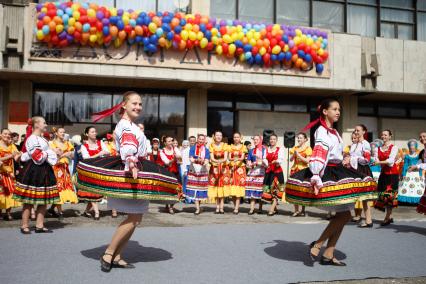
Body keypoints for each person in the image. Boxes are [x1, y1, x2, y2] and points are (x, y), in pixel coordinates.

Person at [75, 91, 179, 272]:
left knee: (136, 218)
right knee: (134, 217)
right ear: (124, 105)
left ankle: (117, 255)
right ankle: (109, 253)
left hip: (136, 169)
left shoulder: (131, 126)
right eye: (134, 103)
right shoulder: (125, 126)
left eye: (140, 104)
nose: (138, 107)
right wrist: (132, 163)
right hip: (131, 172)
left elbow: (138, 147)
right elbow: (128, 148)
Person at [285, 99, 376, 266]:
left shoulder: (334, 132)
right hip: (328, 173)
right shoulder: (322, 131)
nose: (338, 112)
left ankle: (328, 252)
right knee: (345, 214)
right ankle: (319, 244)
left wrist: (347, 159)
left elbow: (336, 153)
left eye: (339, 109)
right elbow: (319, 154)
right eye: (334, 109)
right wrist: (316, 175)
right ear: (325, 111)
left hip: (338, 171)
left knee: (344, 214)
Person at [13, 117, 60, 234]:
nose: (46, 124)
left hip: (44, 170)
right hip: (34, 170)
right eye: (44, 122)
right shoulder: (32, 139)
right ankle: (24, 225)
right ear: (37, 125)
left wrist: (54, 153)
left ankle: (39, 225)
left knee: (43, 199)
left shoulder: (42, 139)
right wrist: (51, 152)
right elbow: (37, 156)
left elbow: (41, 155)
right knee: (29, 200)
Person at [78, 126, 110, 220]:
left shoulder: (101, 143)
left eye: (95, 131)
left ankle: (86, 211)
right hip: (89, 172)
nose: (95, 133)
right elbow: (86, 158)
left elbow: (108, 152)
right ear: (87, 134)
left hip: (99, 170)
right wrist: (99, 154)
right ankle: (97, 212)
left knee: (94, 193)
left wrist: (102, 153)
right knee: (92, 192)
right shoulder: (84, 146)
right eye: (92, 132)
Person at [47, 127, 78, 220]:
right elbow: (51, 155)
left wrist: (68, 154)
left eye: (64, 132)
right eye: (61, 132)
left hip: (65, 168)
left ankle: (52, 209)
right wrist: (61, 154)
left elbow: (73, 155)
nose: (63, 133)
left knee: (65, 187)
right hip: (56, 168)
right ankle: (60, 212)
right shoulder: (51, 143)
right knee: (59, 188)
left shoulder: (67, 143)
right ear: (56, 133)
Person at [350, 124, 376, 228]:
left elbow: (366, 160)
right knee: (357, 196)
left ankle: (368, 220)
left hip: (362, 170)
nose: (356, 132)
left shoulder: (365, 144)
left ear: (364, 132)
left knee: (365, 197)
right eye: (355, 130)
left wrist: (354, 159)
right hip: (354, 170)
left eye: (358, 130)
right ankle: (358, 216)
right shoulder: (354, 144)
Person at [373, 130, 399, 226]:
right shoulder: (378, 148)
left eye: (385, 135)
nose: (383, 136)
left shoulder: (394, 147)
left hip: (392, 174)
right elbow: (376, 159)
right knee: (382, 195)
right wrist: (378, 161)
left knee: (389, 196)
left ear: (390, 136)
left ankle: (387, 218)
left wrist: (379, 162)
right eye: (382, 134)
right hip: (383, 174)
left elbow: (391, 161)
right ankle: (389, 216)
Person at [185, 134, 210, 215]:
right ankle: (197, 209)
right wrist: (197, 160)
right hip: (194, 171)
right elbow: (191, 158)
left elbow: (207, 160)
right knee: (195, 189)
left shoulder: (206, 150)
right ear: (197, 140)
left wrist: (203, 162)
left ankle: (198, 207)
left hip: (202, 171)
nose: (201, 140)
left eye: (203, 139)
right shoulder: (192, 148)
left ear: (204, 141)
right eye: (200, 139)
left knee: (200, 190)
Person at [0, 128, 22, 220]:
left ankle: (8, 213)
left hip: (10, 172)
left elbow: (16, 157)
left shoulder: (12, 145)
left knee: (10, 191)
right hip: (1, 172)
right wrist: (10, 156)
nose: (7, 135)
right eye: (5, 134)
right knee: (1, 192)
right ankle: (0, 213)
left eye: (9, 134)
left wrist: (19, 155)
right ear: (0, 135)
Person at [289, 132, 312, 217]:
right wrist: (294, 155)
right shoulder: (294, 148)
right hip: (295, 170)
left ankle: (302, 210)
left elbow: (308, 161)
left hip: (303, 170)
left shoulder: (308, 148)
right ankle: (296, 210)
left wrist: (300, 156)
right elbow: (291, 160)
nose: (299, 139)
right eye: (298, 138)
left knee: (303, 190)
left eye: (301, 138)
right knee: (294, 190)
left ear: (305, 139)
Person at [207, 131, 231, 214]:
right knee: (216, 188)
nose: (219, 137)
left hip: (223, 169)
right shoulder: (211, 146)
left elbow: (225, 157)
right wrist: (217, 162)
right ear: (214, 136)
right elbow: (211, 158)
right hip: (215, 169)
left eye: (220, 135)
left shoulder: (225, 145)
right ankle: (217, 207)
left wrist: (220, 162)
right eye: (217, 135)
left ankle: (222, 207)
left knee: (222, 188)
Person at [262, 133, 285, 216]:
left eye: (274, 139)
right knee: (269, 191)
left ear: (276, 140)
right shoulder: (267, 149)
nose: (272, 140)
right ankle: (275, 208)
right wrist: (266, 163)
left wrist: (276, 161)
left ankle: (271, 209)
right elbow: (264, 158)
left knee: (276, 190)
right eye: (271, 139)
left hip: (277, 172)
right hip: (269, 172)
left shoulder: (280, 149)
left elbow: (281, 159)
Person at [246, 135, 268, 215]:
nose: (255, 141)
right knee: (252, 191)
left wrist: (260, 162)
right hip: (252, 172)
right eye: (254, 140)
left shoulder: (264, 150)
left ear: (260, 140)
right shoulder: (251, 150)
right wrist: (250, 164)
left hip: (261, 172)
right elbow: (248, 161)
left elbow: (266, 162)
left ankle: (260, 208)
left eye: (257, 139)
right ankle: (251, 209)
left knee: (260, 191)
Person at [160, 136, 182, 214]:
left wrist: (178, 158)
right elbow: (167, 162)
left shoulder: (175, 149)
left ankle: (171, 206)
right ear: (165, 143)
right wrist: (174, 159)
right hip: (167, 172)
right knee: (167, 189)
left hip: (175, 172)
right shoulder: (162, 151)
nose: (171, 143)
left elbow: (180, 158)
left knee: (176, 189)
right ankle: (167, 204)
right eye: (168, 141)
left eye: (171, 141)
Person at [398, 139, 424, 204]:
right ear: (409, 147)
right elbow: (405, 165)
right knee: (406, 186)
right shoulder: (407, 156)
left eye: (413, 146)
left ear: (415, 147)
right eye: (410, 146)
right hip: (408, 173)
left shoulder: (418, 156)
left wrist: (420, 175)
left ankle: (416, 201)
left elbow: (420, 166)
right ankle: (406, 201)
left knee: (417, 187)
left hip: (416, 174)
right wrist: (403, 174)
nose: (412, 147)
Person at [228, 132, 247, 215]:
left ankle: (236, 208)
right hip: (232, 168)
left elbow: (243, 157)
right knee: (232, 188)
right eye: (234, 137)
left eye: (237, 137)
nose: (236, 138)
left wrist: (237, 159)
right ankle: (235, 206)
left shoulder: (243, 146)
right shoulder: (230, 147)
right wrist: (232, 159)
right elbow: (228, 157)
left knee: (238, 188)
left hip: (240, 169)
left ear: (240, 138)